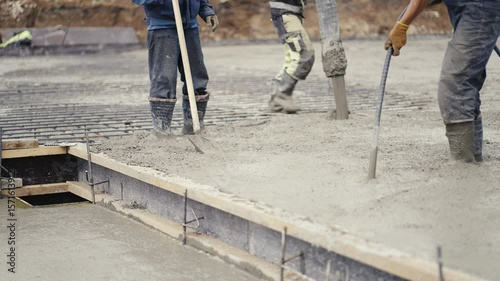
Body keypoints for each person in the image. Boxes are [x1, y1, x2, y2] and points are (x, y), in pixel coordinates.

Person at [385, 0, 500, 162]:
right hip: (470, 8)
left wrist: (403, 25)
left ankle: (463, 169)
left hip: (480, 7)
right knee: (466, 82)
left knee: (456, 85)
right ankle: (473, 163)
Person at [132, 0, 219, 135]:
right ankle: (162, 131)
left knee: (197, 76)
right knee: (164, 79)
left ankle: (193, 126)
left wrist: (206, 10)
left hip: (190, 27)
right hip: (162, 27)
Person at [268, 0, 315, 113]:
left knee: (292, 57)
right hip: (285, 13)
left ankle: (276, 101)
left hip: (288, 13)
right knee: (304, 55)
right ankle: (282, 95)